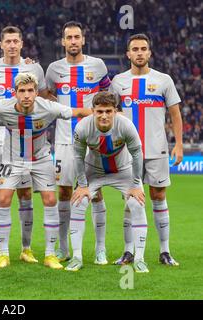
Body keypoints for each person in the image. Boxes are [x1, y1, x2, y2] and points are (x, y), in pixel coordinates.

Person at [0, 72, 91, 269]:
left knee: (50, 200)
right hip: (12, 160)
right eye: (22, 91)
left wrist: (107, 112)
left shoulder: (48, 107)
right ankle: (3, 254)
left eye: (30, 91)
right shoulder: (3, 107)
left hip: (40, 160)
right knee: (4, 199)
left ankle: (50, 255)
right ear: (14, 93)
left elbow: (77, 112)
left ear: (36, 92)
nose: (26, 95)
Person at [110, 33, 183, 266]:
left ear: (149, 53)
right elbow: (109, 113)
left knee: (158, 196)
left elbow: (175, 114)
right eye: (135, 49)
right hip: (128, 153)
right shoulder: (118, 81)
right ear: (128, 53)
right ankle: (128, 251)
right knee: (131, 201)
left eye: (143, 49)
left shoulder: (164, 80)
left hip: (157, 150)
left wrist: (179, 144)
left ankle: (164, 251)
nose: (139, 52)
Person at [0, 26, 50, 263]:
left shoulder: (34, 68)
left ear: (21, 44)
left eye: (15, 41)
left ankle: (26, 247)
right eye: (7, 41)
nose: (11, 45)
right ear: (1, 44)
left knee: (25, 191)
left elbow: (44, 97)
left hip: (23, 136)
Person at [45, 21, 111, 264]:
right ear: (63, 42)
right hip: (63, 141)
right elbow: (45, 95)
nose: (73, 41)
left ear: (83, 40)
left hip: (94, 141)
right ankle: (63, 248)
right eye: (68, 37)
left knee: (96, 193)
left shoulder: (98, 65)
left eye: (77, 37)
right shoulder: (53, 69)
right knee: (63, 192)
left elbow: (108, 96)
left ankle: (100, 249)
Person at [65, 92, 149, 273]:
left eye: (108, 111)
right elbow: (78, 157)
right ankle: (77, 257)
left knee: (137, 203)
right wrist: (82, 184)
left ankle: (139, 259)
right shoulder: (82, 127)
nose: (104, 115)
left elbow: (137, 154)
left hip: (123, 170)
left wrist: (135, 184)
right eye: (100, 111)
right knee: (78, 202)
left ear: (115, 111)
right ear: (93, 111)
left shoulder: (126, 125)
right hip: (94, 170)